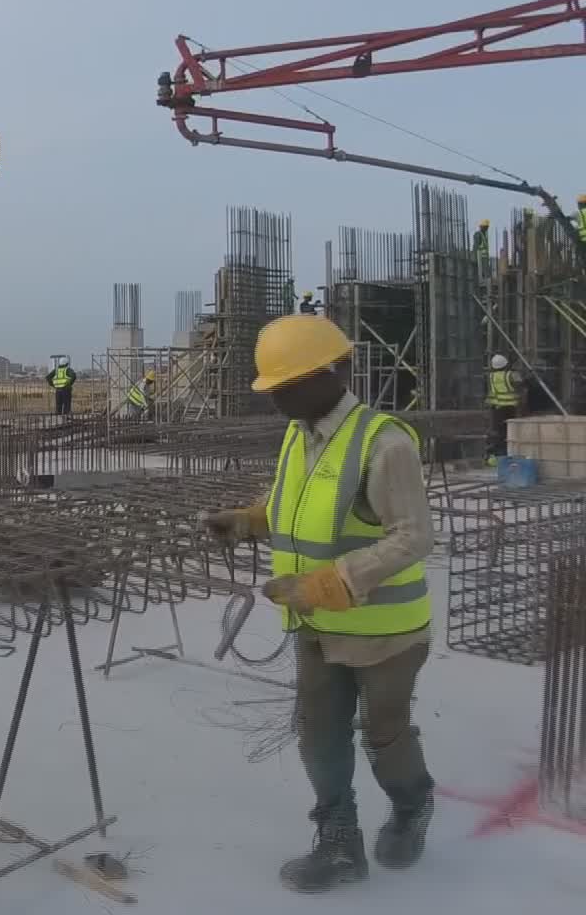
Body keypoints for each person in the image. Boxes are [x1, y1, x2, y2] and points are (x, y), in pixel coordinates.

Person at [201, 315, 434, 895]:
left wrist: (330, 585)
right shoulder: (298, 433)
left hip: (383, 632)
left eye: (286, 385)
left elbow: (413, 537)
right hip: (313, 624)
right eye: (273, 387)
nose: (277, 397)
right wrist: (249, 520)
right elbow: (289, 504)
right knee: (318, 736)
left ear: (330, 373)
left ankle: (412, 808)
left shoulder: (385, 442)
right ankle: (338, 841)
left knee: (385, 737)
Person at [484, 353, 523, 466]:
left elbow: (492, 393)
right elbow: (521, 385)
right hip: (511, 409)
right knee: (511, 433)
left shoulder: (491, 376)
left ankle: (496, 458)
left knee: (499, 434)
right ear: (506, 364)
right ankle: (510, 456)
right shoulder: (511, 375)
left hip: (497, 409)